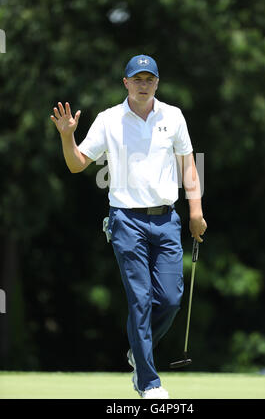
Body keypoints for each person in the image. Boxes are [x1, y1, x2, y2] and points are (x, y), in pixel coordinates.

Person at [50, 54, 207, 399]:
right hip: (126, 221)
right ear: (126, 83)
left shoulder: (174, 116)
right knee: (140, 299)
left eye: (149, 79)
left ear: (157, 83)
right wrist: (66, 137)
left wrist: (195, 211)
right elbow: (77, 164)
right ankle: (148, 382)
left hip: (166, 219)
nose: (143, 84)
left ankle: (138, 350)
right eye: (137, 79)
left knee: (170, 299)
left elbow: (190, 168)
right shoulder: (109, 119)